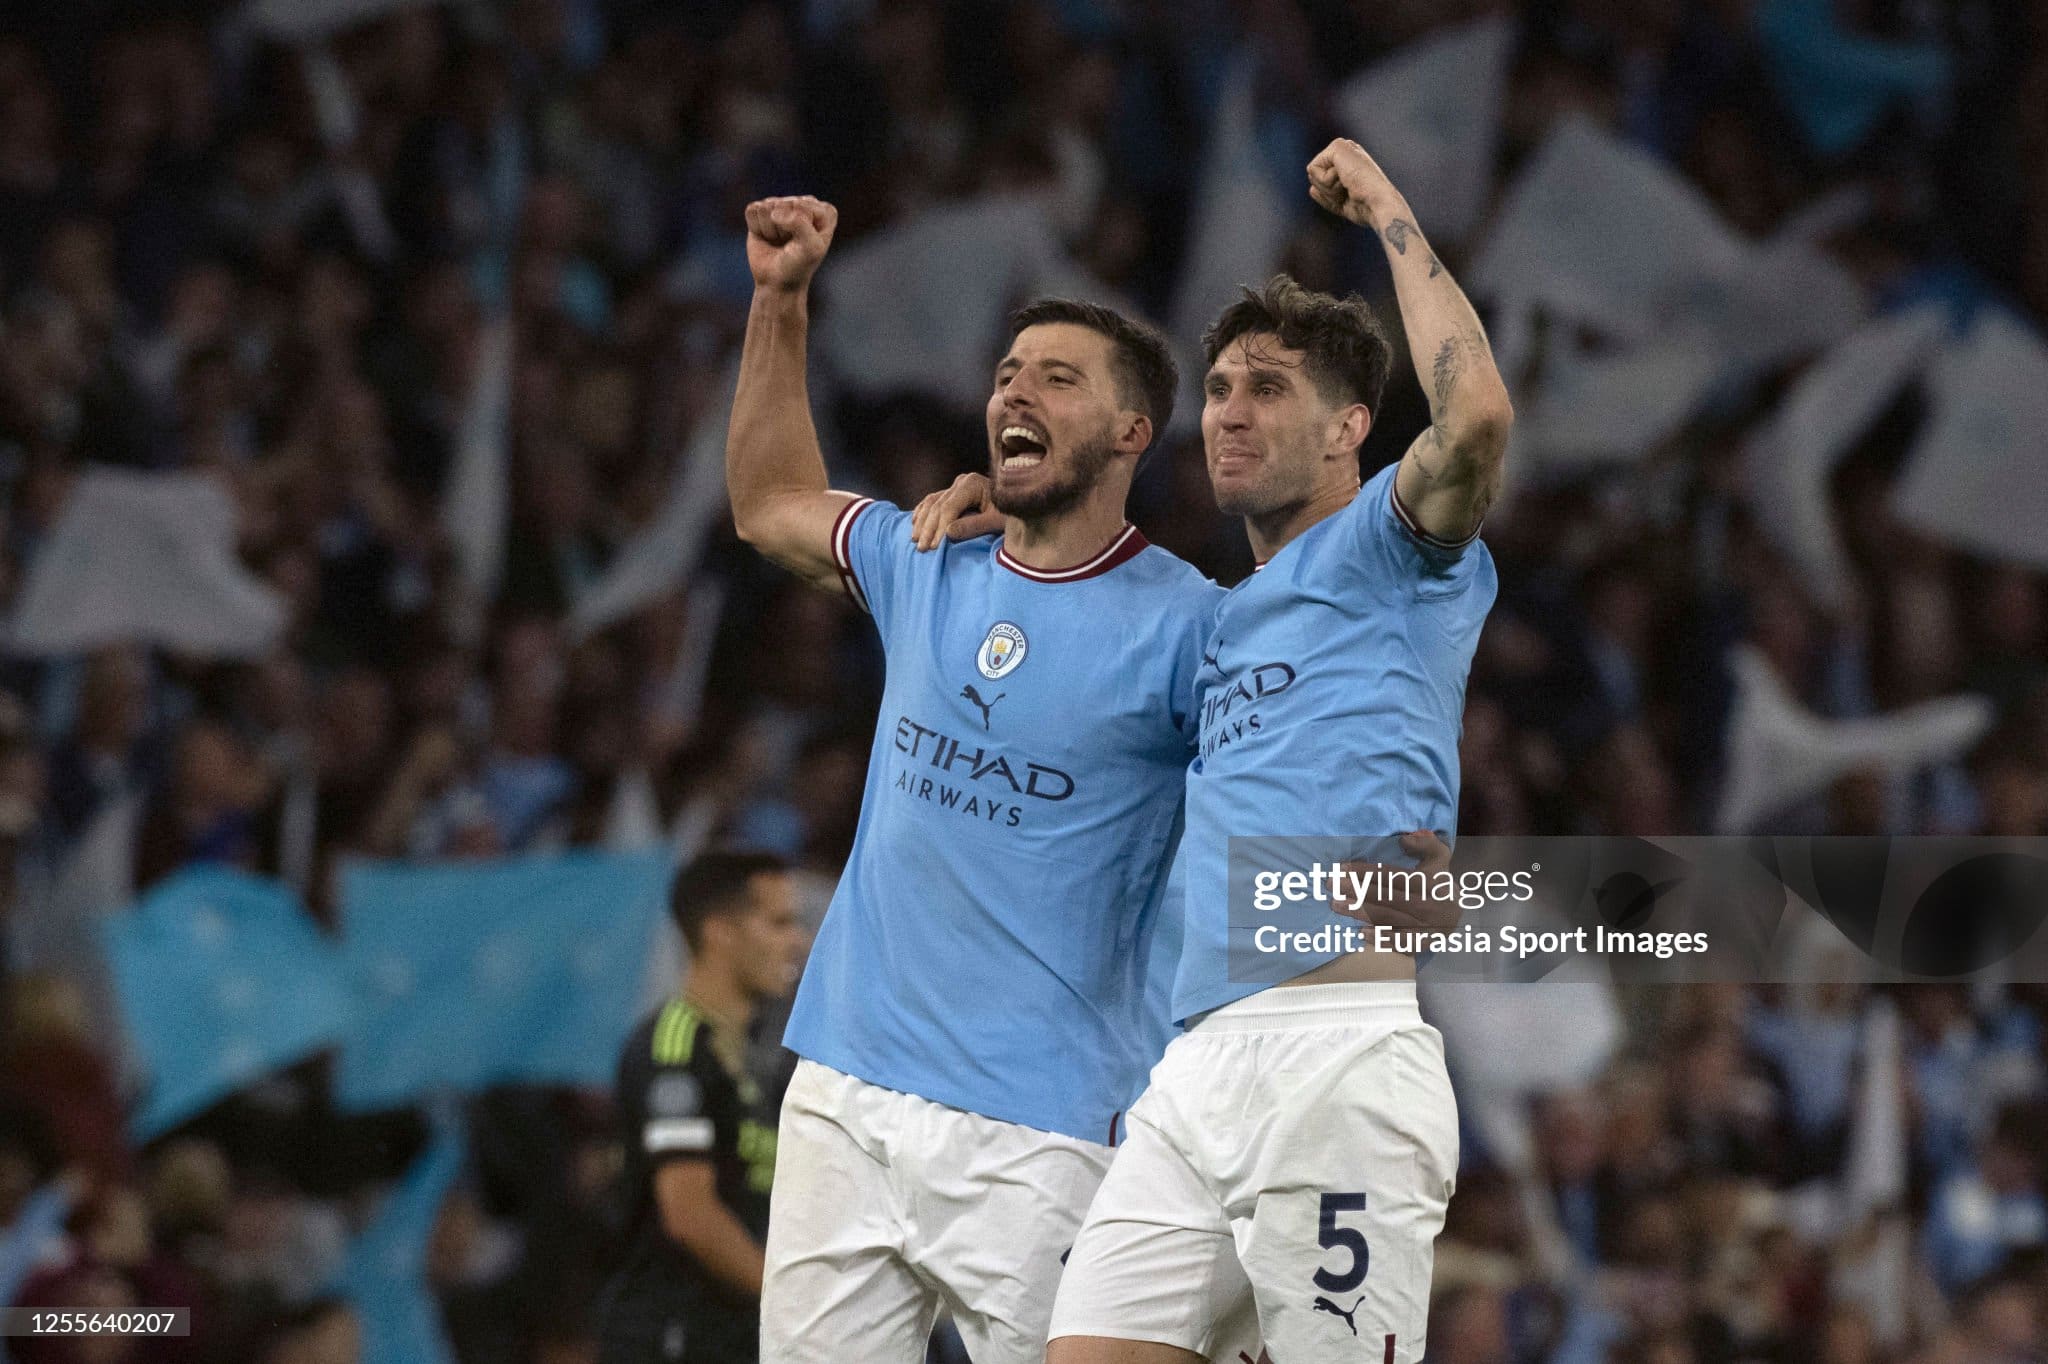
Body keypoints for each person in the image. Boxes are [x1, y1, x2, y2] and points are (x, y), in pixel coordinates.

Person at [724, 193, 1227, 1363]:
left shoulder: (1191, 630)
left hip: (1041, 1126)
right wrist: (779, 300)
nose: (1014, 390)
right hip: (843, 1088)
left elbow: (1303, 755)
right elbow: (768, 506)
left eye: (1058, 377)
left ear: (1129, 433)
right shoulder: (925, 558)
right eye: (1007, 370)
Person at [1043, 139, 1514, 1363]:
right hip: (1192, 1078)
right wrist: (994, 511)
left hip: (1335, 1064)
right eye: (1218, 389)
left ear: (1348, 424)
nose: (1228, 413)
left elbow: (1473, 417)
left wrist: (1390, 213)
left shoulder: (1388, 547)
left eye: (1264, 386)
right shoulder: (1217, 618)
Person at [599, 849, 809, 1364]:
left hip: (742, 1336)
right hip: (674, 1335)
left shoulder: (771, 1051)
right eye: (779, 923)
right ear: (720, 932)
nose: (798, 940)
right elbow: (689, 1213)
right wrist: (797, 1305)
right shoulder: (672, 1047)